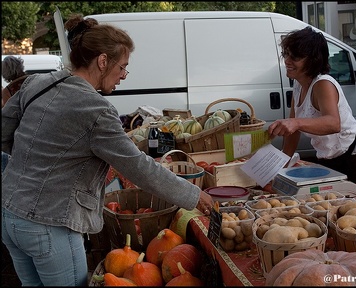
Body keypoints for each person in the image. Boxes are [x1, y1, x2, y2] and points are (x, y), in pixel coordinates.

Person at [1, 14, 214, 287]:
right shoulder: (97, 110)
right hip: (50, 223)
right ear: (103, 61)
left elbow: (5, 135)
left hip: (10, 215)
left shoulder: (37, 83)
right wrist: (194, 195)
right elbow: (140, 168)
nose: (124, 75)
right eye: (123, 67)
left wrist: (35, 159)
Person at [268, 26, 356, 192]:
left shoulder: (323, 83)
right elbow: (293, 133)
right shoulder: (298, 85)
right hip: (329, 159)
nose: (287, 61)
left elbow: (333, 123)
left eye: (295, 56)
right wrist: (280, 164)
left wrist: (296, 122)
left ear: (313, 59)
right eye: (286, 54)